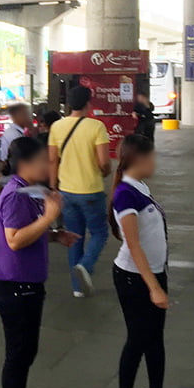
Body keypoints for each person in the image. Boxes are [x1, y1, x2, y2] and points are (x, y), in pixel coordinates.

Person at [0, 136, 80, 388]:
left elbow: (27, 232)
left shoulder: (28, 190)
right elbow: (14, 239)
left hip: (26, 285)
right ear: (28, 163)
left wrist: (54, 235)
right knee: (18, 356)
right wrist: (48, 218)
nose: (49, 165)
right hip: (15, 288)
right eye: (44, 160)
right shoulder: (16, 195)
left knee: (25, 353)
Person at [108, 135, 175, 388]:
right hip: (133, 278)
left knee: (155, 341)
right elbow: (133, 245)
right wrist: (154, 287)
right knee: (138, 339)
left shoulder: (141, 189)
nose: (155, 161)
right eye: (152, 156)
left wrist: (158, 281)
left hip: (153, 274)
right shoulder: (125, 195)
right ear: (139, 159)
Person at [48, 85, 111, 297]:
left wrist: (53, 188)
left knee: (74, 237)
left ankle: (77, 288)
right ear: (88, 103)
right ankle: (86, 264)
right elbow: (104, 162)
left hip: (66, 192)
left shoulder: (57, 126)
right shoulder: (97, 127)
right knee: (100, 232)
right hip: (91, 190)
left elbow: (52, 160)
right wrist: (104, 171)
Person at [0, 103, 33, 177]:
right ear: (16, 116)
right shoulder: (13, 134)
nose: (28, 117)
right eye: (25, 114)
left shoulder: (18, 132)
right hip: (13, 174)